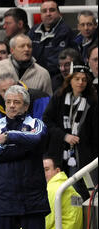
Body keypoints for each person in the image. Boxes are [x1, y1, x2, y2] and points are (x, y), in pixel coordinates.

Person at [0, 85, 50, 229]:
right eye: (8, 102)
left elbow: (38, 138)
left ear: (26, 106)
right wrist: (27, 149)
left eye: (17, 102)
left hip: (33, 200)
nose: (12, 105)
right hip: (3, 201)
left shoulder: (37, 124)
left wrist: (10, 137)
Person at [0, 34, 52, 147]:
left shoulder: (43, 73)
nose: (26, 49)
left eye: (29, 46)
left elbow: (49, 106)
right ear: (12, 50)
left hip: (28, 131)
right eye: (22, 46)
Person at [43, 62, 97, 201]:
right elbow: (47, 120)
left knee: (79, 191)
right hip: (59, 153)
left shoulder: (93, 101)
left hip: (82, 156)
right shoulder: (59, 96)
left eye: (84, 79)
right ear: (70, 80)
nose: (80, 82)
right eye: (77, 79)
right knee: (60, 189)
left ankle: (79, 218)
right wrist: (65, 136)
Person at [15, 156, 83, 229]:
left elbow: (42, 221)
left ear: (57, 170)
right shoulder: (72, 191)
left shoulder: (52, 189)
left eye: (46, 170)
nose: (43, 174)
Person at [27, 0, 76, 76]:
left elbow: (55, 63)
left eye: (52, 10)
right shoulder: (34, 30)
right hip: (34, 74)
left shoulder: (65, 32)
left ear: (59, 13)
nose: (48, 14)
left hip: (56, 76)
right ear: (41, 14)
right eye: (44, 11)